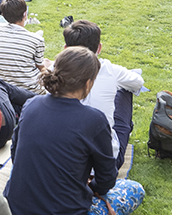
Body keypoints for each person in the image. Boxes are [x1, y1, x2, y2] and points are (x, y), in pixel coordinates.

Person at [3, 46, 145, 215]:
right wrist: (91, 188)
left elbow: (16, 154)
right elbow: (107, 179)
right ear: (88, 83)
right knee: (133, 189)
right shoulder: (93, 119)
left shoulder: (31, 105)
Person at [62, 20, 144, 168]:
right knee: (125, 89)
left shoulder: (34, 106)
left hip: (66, 155)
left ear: (65, 48)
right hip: (95, 162)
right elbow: (103, 181)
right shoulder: (109, 71)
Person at [0, 0, 48, 95]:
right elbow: (40, 67)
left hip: (5, 89)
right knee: (47, 63)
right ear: (25, 14)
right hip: (31, 91)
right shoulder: (37, 40)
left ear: (3, 15)